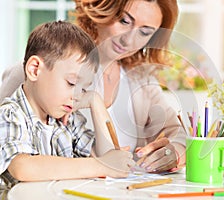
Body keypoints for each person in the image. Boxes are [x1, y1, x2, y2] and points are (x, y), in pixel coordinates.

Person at [0, 0, 186, 173]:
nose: (129, 40)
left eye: (144, 32)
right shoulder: (37, 73)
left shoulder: (141, 81)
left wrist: (175, 152)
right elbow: (10, 154)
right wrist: (102, 165)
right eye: (123, 21)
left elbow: (179, 133)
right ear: (103, 9)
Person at [0, 21, 135, 187]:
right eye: (72, 83)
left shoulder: (68, 119)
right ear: (35, 69)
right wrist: (101, 165)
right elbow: (22, 167)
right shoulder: (10, 114)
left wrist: (95, 101)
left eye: (83, 89)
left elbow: (106, 154)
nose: (77, 95)